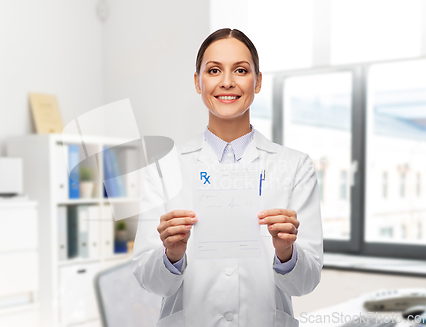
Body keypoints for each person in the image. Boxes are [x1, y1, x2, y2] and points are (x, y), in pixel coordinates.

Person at [131, 28, 323, 327]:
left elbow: (304, 284)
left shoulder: (295, 166)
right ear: (198, 81)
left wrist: (286, 252)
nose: (227, 82)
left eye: (241, 70)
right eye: (214, 70)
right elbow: (151, 282)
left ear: (257, 81)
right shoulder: (164, 168)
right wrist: (171, 254)